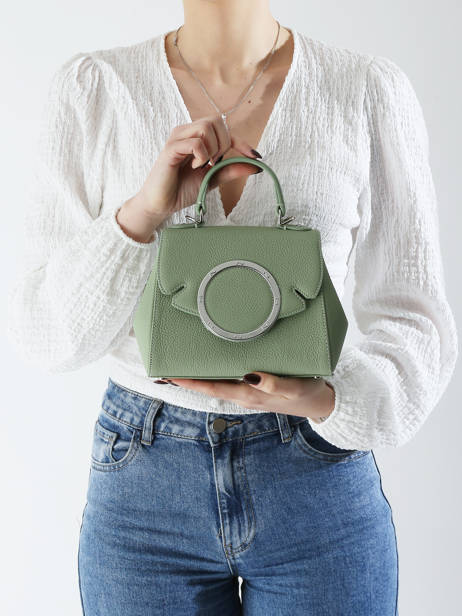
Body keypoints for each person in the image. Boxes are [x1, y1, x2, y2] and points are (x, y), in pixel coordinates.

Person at [6, 1, 458, 614]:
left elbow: (415, 317)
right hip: (144, 483)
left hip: (316, 475)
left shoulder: (365, 88)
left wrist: (329, 400)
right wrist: (143, 213)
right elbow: (43, 335)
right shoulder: (95, 88)